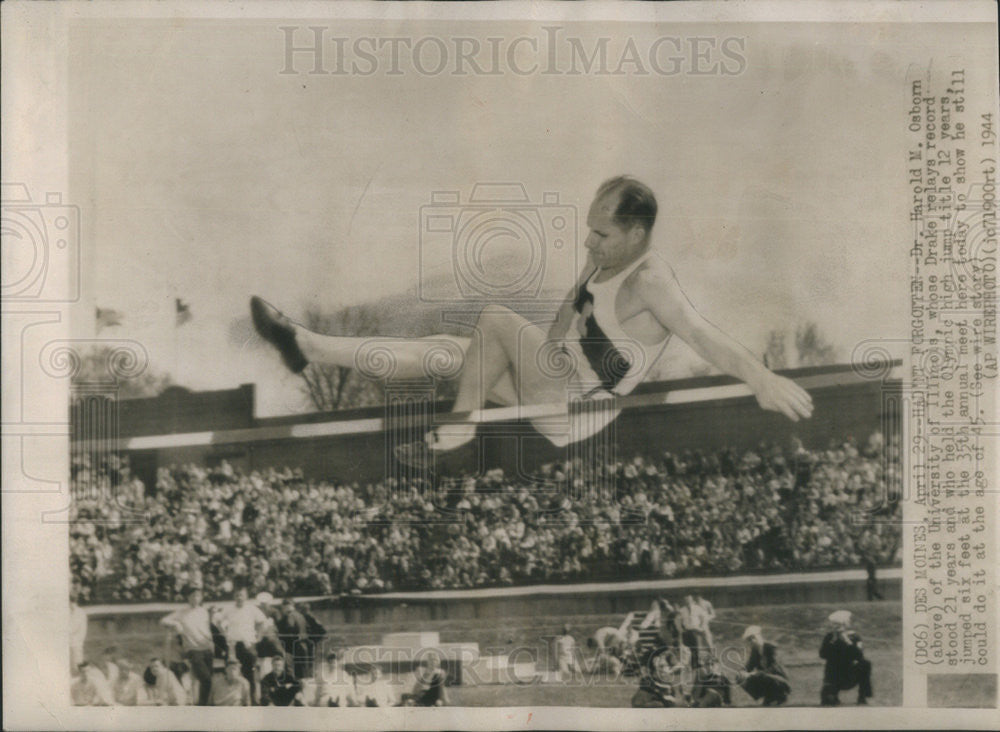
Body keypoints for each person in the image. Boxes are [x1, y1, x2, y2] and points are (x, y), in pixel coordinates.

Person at [250, 176, 813, 465]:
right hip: (559, 381)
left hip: (580, 406)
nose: (590, 241)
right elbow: (573, 302)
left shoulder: (651, 281)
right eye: (590, 228)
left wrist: (759, 378)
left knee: (493, 318)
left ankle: (455, 435)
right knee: (451, 350)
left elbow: (700, 333)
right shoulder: (606, 260)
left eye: (603, 233)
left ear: (637, 235)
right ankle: (308, 346)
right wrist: (544, 349)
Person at [160, 585, 215, 705]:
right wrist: (175, 624)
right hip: (193, 649)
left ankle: (202, 704)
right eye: (193, 596)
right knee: (206, 679)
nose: (195, 598)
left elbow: (208, 629)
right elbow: (163, 621)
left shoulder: (204, 612)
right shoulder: (182, 612)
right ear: (188, 598)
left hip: (207, 648)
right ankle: (202, 707)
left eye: (198, 595)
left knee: (205, 680)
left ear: (201, 598)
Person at [218, 587, 269, 704]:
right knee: (232, 674)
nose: (239, 598)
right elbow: (218, 622)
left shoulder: (252, 609)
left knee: (249, 674)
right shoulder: (228, 609)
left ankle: (251, 700)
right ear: (234, 597)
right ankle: (233, 700)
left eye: (241, 595)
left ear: (246, 596)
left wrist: (259, 637)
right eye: (237, 595)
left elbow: (262, 622)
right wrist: (225, 634)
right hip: (233, 646)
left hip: (247, 645)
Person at [819, 610, 873, 705]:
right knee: (829, 702)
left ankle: (862, 696)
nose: (835, 627)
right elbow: (822, 655)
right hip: (834, 676)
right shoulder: (829, 637)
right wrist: (833, 642)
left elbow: (860, 656)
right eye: (834, 624)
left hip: (850, 674)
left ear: (845, 625)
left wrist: (848, 642)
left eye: (838, 625)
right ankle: (832, 695)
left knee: (865, 664)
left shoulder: (855, 637)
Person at [739, 626, 790, 706]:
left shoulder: (771, 647)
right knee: (740, 678)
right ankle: (768, 697)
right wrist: (742, 672)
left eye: (753, 638)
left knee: (761, 676)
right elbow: (749, 666)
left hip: (780, 679)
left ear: (759, 636)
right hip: (766, 677)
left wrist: (757, 673)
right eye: (749, 640)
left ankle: (781, 696)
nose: (752, 641)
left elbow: (774, 667)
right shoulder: (755, 651)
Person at [275, 597, 312, 680]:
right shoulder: (300, 616)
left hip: (295, 648)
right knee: (304, 674)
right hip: (302, 647)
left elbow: (288, 631)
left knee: (298, 674)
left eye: (284, 607)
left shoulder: (289, 616)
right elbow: (309, 629)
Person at [674, 595, 710, 669]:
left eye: (689, 600)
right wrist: (680, 629)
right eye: (686, 600)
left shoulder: (698, 608)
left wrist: (702, 627)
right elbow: (677, 620)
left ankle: (698, 663)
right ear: (684, 601)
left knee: (697, 647)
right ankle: (693, 664)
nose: (688, 602)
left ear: (692, 600)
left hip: (696, 630)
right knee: (689, 648)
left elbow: (704, 618)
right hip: (687, 631)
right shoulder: (682, 610)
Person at [69, 590, 88, 671]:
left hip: (76, 643)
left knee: (77, 666)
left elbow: (73, 628)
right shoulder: (68, 611)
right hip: (69, 643)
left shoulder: (80, 612)